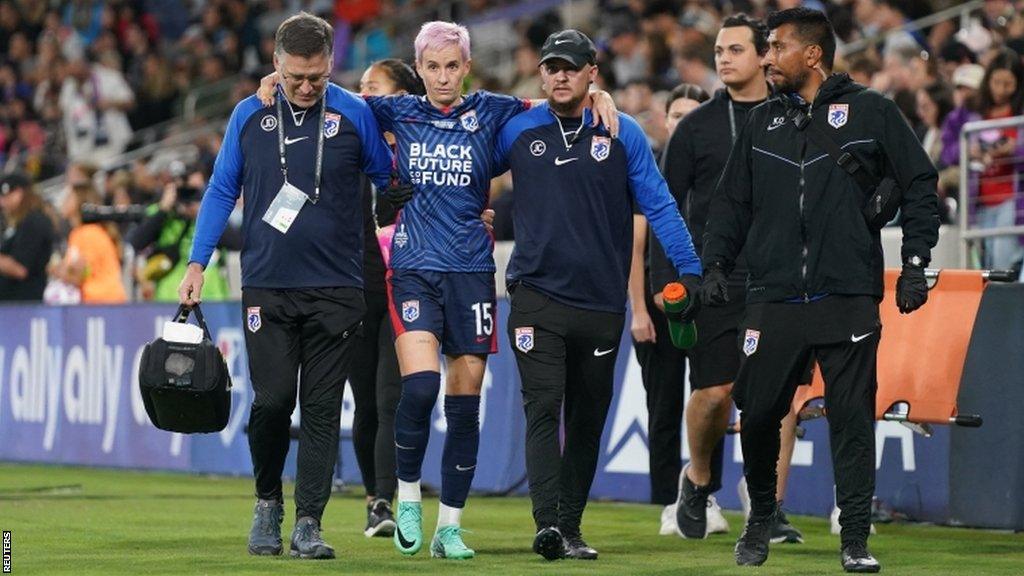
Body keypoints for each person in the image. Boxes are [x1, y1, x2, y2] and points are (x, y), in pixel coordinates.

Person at [252, 22, 617, 560]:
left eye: (452, 66)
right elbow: (324, 94)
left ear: (465, 66)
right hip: (414, 268)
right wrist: (269, 83)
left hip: (472, 272)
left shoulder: (494, 110)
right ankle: (402, 496)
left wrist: (599, 93)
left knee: (464, 404)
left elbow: (554, 100)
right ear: (418, 69)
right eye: (433, 66)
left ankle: (450, 528)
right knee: (419, 388)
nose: (443, 77)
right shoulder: (392, 109)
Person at [702, 8, 939, 571]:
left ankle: (855, 537)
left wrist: (914, 262)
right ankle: (762, 513)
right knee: (757, 412)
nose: (766, 58)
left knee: (853, 417)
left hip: (847, 293)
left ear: (812, 54)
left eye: (776, 47)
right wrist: (715, 265)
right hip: (773, 293)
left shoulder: (873, 111)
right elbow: (731, 203)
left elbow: (920, 183)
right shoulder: (762, 123)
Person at [179, 12, 394, 560]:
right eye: (296, 76)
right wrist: (197, 262)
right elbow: (222, 189)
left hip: (339, 289)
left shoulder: (353, 114)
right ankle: (267, 503)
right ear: (275, 63)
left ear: (329, 67)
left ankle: (309, 524)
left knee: (322, 410)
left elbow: (390, 180)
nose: (304, 88)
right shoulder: (249, 116)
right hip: (268, 287)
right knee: (273, 402)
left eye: (316, 78)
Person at [494, 29, 702, 562]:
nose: (559, 75)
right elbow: (463, 151)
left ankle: (571, 527)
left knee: (587, 417)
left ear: (593, 73)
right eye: (551, 67)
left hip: (600, 303)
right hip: (536, 294)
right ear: (541, 75)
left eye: (571, 66)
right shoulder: (516, 124)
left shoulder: (623, 131)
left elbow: (659, 206)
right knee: (543, 407)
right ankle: (547, 526)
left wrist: (693, 270)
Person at [650, 14, 804, 544]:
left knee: (778, 397)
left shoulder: (792, 116)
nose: (723, 58)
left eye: (734, 49)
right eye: (718, 49)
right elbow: (663, 207)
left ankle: (770, 503)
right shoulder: (695, 127)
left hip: (780, 277)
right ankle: (697, 479)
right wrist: (664, 279)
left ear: (763, 55)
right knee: (714, 394)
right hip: (713, 278)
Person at [627, 82, 715, 536]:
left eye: (692, 115)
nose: (683, 123)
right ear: (665, 121)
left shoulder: (720, 172)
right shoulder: (651, 171)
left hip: (708, 306)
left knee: (713, 402)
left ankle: (707, 496)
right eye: (676, 115)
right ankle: (666, 502)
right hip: (659, 312)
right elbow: (635, 247)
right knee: (662, 409)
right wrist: (639, 310)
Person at [349, 58, 421, 539]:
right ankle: (374, 496)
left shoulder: (422, 151)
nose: (362, 94)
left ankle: (385, 502)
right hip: (356, 288)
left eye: (373, 87)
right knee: (366, 404)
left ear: (400, 96)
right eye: (360, 87)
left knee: (391, 397)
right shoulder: (349, 150)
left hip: (407, 286)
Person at [127, 162, 241, 302]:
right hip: (170, 297)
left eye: (196, 190)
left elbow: (236, 242)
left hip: (213, 297)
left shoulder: (212, 212)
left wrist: (204, 215)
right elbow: (137, 242)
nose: (190, 195)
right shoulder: (161, 213)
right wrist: (164, 210)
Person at [53, 181, 128, 304]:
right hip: (99, 301)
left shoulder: (88, 233)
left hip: (103, 302)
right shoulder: (81, 232)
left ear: (80, 202)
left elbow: (80, 274)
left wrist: (58, 271)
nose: (64, 201)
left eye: (69, 197)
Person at [0, 172, 56, 302]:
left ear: (19, 194)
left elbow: (20, 269)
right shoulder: (19, 224)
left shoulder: (34, 221)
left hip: (25, 306)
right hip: (12, 304)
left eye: (5, 196)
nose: (2, 203)